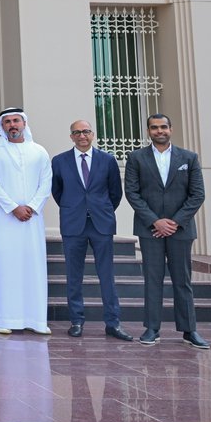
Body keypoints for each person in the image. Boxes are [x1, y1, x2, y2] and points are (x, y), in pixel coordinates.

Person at [124, 113, 207, 348]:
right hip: (149, 229)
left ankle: (190, 330)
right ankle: (152, 328)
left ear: (171, 129)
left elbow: (197, 194)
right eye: (154, 128)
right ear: (148, 131)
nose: (159, 131)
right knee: (153, 279)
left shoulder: (188, 158)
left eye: (163, 127)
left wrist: (174, 222)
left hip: (180, 230)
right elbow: (133, 193)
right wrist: (155, 222)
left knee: (183, 280)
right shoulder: (136, 157)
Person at [51, 120, 132, 341]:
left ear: (93, 134)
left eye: (85, 131)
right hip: (73, 223)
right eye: (76, 132)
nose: (82, 136)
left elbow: (115, 192)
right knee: (73, 275)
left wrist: (100, 210)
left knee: (106, 275)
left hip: (101, 224)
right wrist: (74, 208)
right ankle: (76, 321)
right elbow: (57, 191)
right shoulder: (59, 161)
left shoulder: (107, 160)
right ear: (71, 137)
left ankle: (113, 323)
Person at [0, 107, 52, 336]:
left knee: (33, 267)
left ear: (24, 123)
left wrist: (30, 207)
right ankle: (4, 319)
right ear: (1, 126)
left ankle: (36, 320)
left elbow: (46, 183)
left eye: (16, 121)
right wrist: (14, 208)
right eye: (8, 122)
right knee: (5, 267)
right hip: (4, 219)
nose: (12, 125)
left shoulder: (39, 151)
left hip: (32, 219)